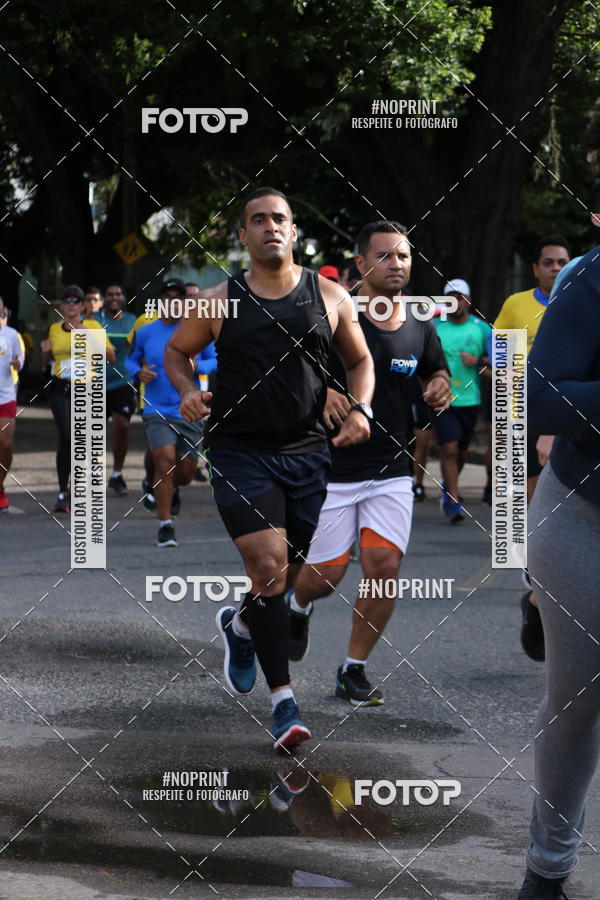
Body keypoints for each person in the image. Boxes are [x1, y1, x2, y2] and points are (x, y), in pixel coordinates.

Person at [164, 186, 375, 751]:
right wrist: (187, 390)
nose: (270, 227)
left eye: (279, 218)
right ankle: (285, 705)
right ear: (243, 236)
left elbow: (360, 360)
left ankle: (240, 626)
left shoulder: (329, 295)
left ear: (293, 231)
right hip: (237, 451)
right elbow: (175, 353)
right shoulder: (218, 301)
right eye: (257, 220)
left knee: (281, 578)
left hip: (307, 453)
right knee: (268, 566)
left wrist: (361, 407)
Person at [287, 221, 450, 705]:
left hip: (391, 470)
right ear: (361, 264)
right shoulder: (336, 314)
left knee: (383, 565)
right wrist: (327, 392)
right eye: (384, 256)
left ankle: (352, 669)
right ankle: (297, 605)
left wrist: (439, 383)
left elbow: (434, 368)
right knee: (325, 577)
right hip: (332, 466)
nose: (395, 264)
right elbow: (296, 370)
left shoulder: (420, 321)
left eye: (402, 256)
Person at [516, 243, 600, 899]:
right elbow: (540, 401)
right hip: (583, 516)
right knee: (578, 703)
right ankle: (546, 872)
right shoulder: (591, 276)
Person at [495, 237, 571, 660]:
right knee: (529, 494)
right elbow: (501, 352)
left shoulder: (580, 299)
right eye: (549, 262)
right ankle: (534, 573)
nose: (556, 268)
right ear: (536, 268)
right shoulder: (517, 304)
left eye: (562, 261)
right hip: (522, 414)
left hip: (569, 419)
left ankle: (540, 588)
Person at [125, 283, 212, 547]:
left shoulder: (197, 329)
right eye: (166, 298)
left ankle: (166, 488)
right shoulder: (146, 331)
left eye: (178, 298)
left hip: (188, 407)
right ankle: (165, 525)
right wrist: (137, 373)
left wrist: (198, 365)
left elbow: (217, 359)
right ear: (160, 302)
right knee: (165, 461)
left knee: (184, 473)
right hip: (155, 407)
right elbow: (130, 360)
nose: (173, 302)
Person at [40, 285, 115, 513]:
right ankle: (63, 493)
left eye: (76, 300)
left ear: (83, 306)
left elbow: (110, 357)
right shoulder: (54, 328)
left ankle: (76, 490)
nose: (71, 304)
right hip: (61, 387)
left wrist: (86, 333)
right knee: (67, 437)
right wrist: (45, 352)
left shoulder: (93, 326)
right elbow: (52, 358)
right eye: (67, 300)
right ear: (62, 306)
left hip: (86, 388)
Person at [432, 279, 491, 522]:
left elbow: (502, 365)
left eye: (460, 297)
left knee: (462, 452)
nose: (456, 302)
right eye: (451, 297)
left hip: (470, 399)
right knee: (449, 448)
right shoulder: (433, 326)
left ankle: (449, 484)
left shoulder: (483, 329)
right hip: (442, 399)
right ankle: (454, 501)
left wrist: (478, 360)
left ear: (468, 300)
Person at [95, 284, 136, 495]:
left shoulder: (132, 321)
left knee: (123, 427)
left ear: (124, 298)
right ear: (104, 299)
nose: (114, 297)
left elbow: (139, 349)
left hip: (123, 382)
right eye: (109, 294)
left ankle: (117, 474)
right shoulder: (95, 319)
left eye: (118, 294)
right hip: (95, 383)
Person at [0, 300, 25, 511]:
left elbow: (21, 359)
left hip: (6, 396)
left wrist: (18, 364)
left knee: (5, 445)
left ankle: (0, 487)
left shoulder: (11, 334)